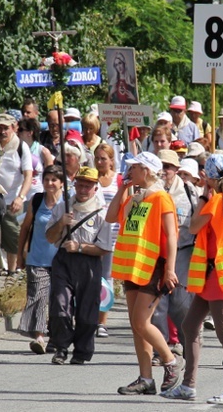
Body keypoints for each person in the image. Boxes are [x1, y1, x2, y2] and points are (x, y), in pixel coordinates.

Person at [162, 154, 223, 404]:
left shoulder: (216, 201)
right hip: (219, 273)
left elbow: (193, 227)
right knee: (190, 326)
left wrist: (204, 193)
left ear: (210, 177)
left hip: (217, 274)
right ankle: (188, 386)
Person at [110, 153, 184, 394]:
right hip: (132, 266)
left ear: (147, 171)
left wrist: (170, 269)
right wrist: (123, 188)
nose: (129, 171)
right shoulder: (135, 196)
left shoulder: (161, 197)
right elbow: (111, 217)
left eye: (134, 168)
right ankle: (146, 379)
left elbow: (172, 235)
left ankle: (171, 362)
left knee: (141, 321)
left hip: (154, 266)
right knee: (136, 324)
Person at [45, 167, 112, 365]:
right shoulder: (63, 207)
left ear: (95, 188)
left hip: (89, 264)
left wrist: (80, 247)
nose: (83, 189)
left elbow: (104, 248)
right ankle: (61, 348)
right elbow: (49, 237)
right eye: (80, 184)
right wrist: (61, 224)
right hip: (63, 261)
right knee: (59, 304)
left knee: (87, 311)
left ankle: (82, 351)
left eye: (88, 185)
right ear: (74, 185)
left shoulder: (102, 212)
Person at [149, 149, 196, 357]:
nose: (164, 170)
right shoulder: (150, 190)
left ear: (177, 169)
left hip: (183, 252)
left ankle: (188, 345)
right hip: (156, 255)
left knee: (181, 304)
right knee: (157, 305)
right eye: (161, 166)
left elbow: (198, 222)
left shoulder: (189, 190)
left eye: (168, 166)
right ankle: (161, 351)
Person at [17, 164, 64, 353]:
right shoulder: (37, 200)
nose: (50, 183)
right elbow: (25, 228)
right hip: (37, 259)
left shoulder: (67, 203)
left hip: (61, 261)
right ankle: (39, 337)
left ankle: (55, 336)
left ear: (62, 183)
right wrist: (21, 253)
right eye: (46, 179)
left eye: (54, 180)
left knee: (58, 300)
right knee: (37, 297)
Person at [0, 113, 33, 280]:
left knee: (12, 236)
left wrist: (20, 197)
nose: (2, 131)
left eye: (6, 128)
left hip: (12, 198)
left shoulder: (21, 147)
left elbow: (28, 175)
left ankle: (12, 272)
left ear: (14, 128)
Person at [94, 143, 120, 338]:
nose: (100, 162)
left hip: (113, 234)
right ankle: (89, 317)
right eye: (97, 158)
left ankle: (102, 321)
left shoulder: (117, 180)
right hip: (93, 233)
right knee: (91, 277)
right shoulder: (91, 178)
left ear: (111, 160)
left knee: (106, 278)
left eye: (104, 158)